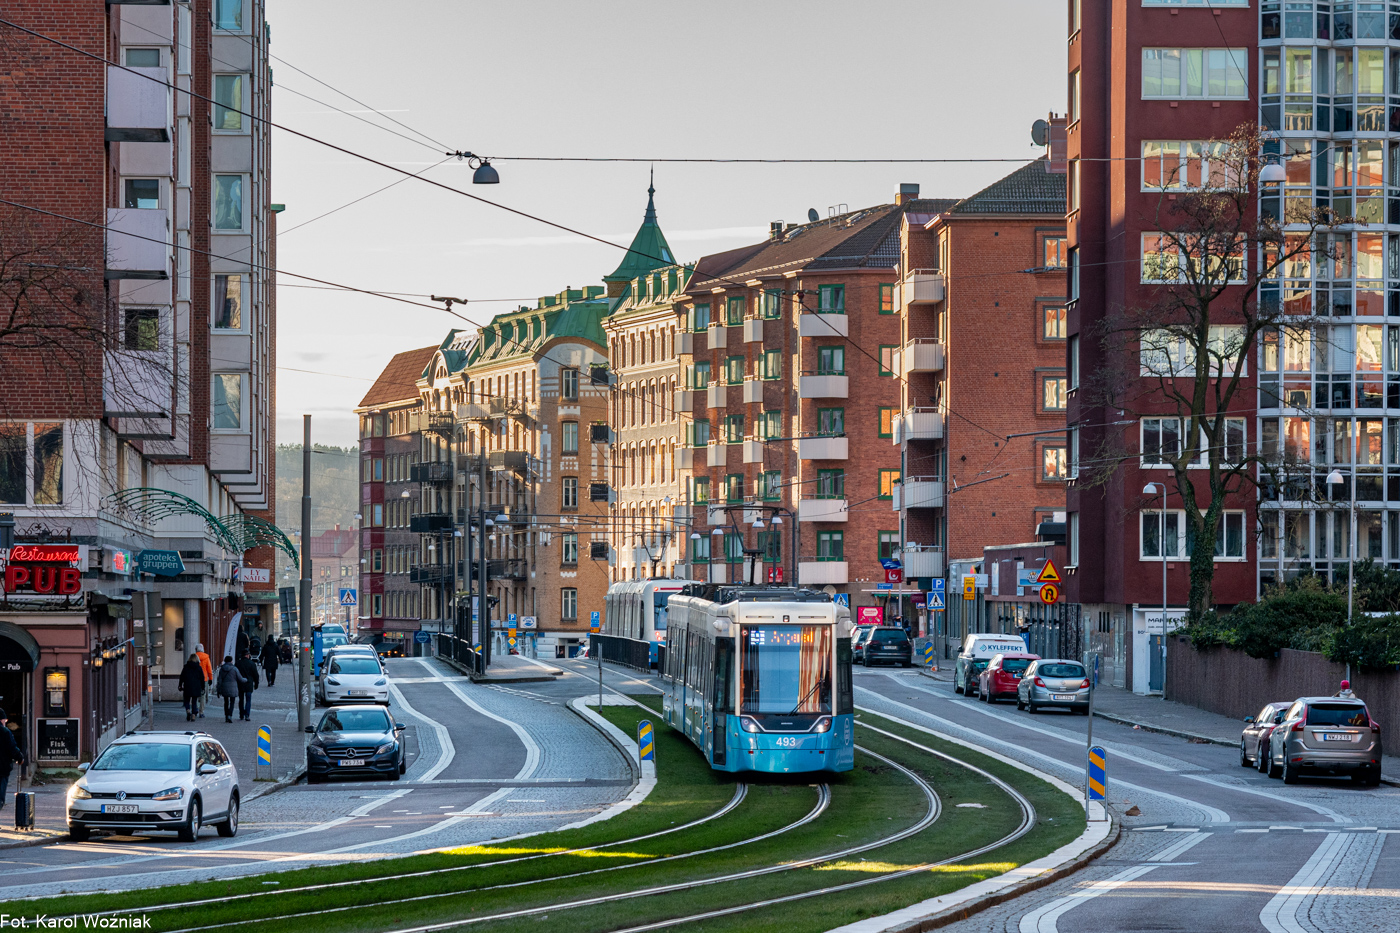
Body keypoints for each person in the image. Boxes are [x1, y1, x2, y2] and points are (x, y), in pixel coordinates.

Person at [0, 708, 26, 808]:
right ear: (1, 719)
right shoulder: (5, 732)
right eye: (5, 720)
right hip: (2, 767)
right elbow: (12, 748)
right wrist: (20, 758)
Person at [215, 655, 246, 723]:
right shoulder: (234, 669)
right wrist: (246, 680)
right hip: (233, 688)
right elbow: (240, 678)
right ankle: (230, 715)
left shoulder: (222, 669)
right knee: (232, 702)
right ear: (231, 661)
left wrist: (218, 689)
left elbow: (219, 680)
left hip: (225, 687)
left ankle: (226, 716)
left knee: (226, 702)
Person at [178, 654, 206, 721]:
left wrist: (180, 684)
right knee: (194, 701)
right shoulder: (199, 667)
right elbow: (202, 678)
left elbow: (182, 676)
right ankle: (193, 715)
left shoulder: (186, 667)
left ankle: (188, 710)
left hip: (187, 685)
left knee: (186, 700)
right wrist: (203, 687)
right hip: (196, 686)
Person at [235, 650, 260, 721]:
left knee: (241, 699)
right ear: (247, 655)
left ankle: (241, 714)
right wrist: (256, 683)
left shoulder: (238, 663)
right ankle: (247, 714)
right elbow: (255, 675)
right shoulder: (251, 663)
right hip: (249, 684)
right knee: (248, 699)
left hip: (240, 683)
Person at [195, 644, 213, 720]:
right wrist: (210, 678)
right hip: (204, 679)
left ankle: (195, 709)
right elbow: (209, 669)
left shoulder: (194, 656)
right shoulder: (206, 657)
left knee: (194, 695)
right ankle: (201, 712)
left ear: (196, 649)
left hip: (195, 679)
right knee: (202, 695)